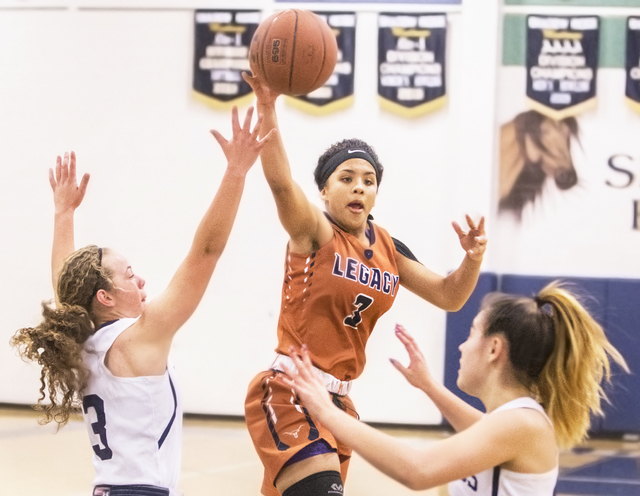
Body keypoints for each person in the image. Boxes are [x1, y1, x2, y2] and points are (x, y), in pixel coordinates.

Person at [241, 71, 488, 496]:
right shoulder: (314, 231)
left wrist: (473, 258)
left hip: (340, 402)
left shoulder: (389, 247)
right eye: (347, 178)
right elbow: (281, 184)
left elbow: (449, 296)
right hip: (291, 389)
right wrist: (267, 108)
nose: (359, 187)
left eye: (368, 180)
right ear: (324, 189)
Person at [11, 107, 274, 496]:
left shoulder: (82, 341)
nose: (142, 279)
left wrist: (63, 212)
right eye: (130, 274)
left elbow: (64, 286)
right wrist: (236, 172)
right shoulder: (138, 338)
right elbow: (205, 252)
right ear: (106, 296)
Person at [283, 282, 628, 495]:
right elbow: (482, 430)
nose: (462, 347)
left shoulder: (523, 425)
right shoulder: (514, 422)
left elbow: (417, 470)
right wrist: (430, 387)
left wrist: (327, 411)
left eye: (472, 333)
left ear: (494, 349)